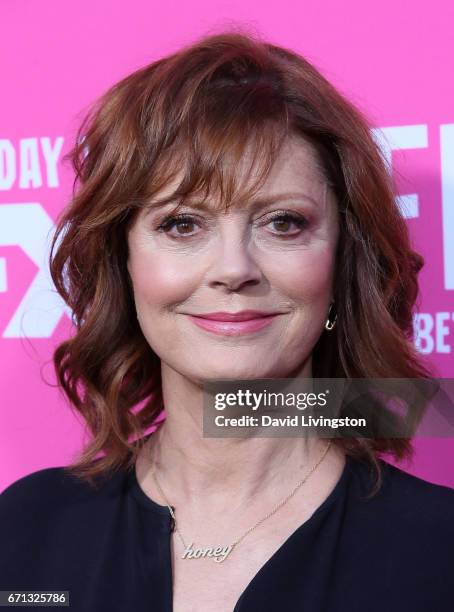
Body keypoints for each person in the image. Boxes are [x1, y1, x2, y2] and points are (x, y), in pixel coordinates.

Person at [1, 29, 454, 612]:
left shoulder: (437, 556)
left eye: (283, 223)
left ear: (342, 263)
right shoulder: (29, 532)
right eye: (183, 224)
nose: (234, 269)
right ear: (124, 264)